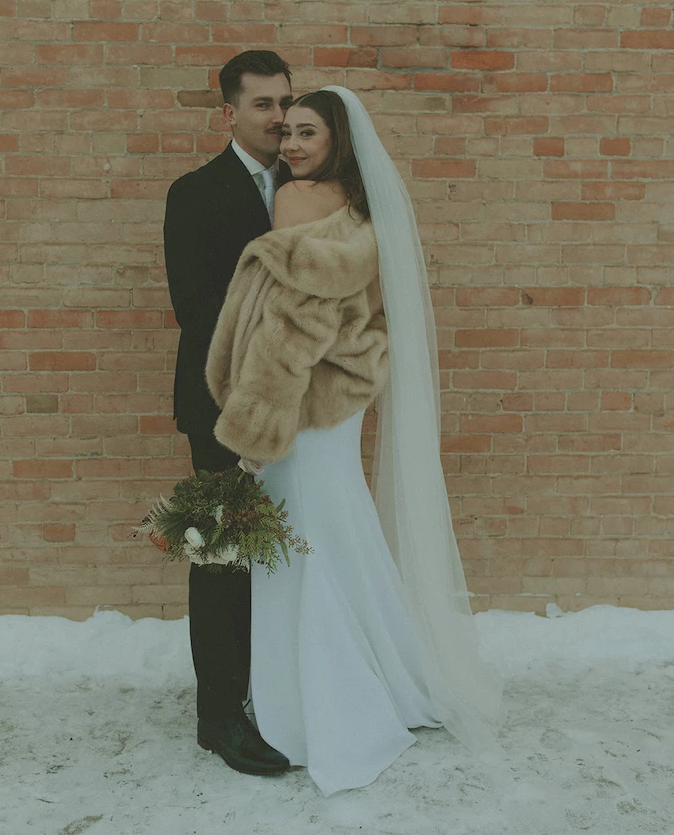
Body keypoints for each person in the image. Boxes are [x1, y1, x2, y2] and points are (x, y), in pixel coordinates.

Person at [206, 88, 506, 795]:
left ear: (337, 138)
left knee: (299, 544)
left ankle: (313, 709)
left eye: (306, 133)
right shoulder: (365, 208)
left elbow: (291, 330)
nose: (291, 146)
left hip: (300, 403)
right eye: (286, 133)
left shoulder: (296, 199)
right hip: (340, 402)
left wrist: (255, 432)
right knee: (338, 528)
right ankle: (391, 679)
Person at [163, 50, 293, 776]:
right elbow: (197, 307)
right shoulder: (194, 193)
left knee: (292, 549)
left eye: (286, 102)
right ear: (229, 113)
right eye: (263, 104)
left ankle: (285, 691)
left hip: (303, 406)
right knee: (222, 556)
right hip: (223, 403)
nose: (278, 117)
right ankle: (219, 717)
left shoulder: (312, 186)